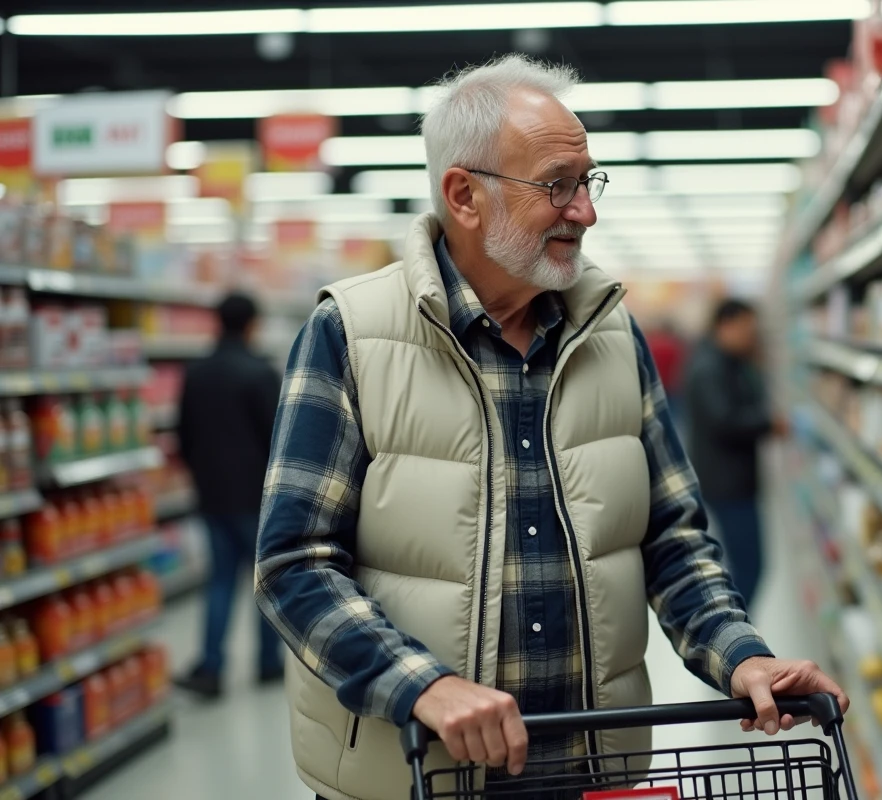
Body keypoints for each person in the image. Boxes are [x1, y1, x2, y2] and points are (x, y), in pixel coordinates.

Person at [255, 54, 846, 800]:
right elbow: (294, 564)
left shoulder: (612, 335)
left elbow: (671, 537)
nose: (586, 212)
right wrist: (422, 685)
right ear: (465, 196)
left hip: (587, 765)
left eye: (588, 182)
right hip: (413, 768)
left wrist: (741, 656)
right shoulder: (351, 332)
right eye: (557, 186)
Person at [174, 292, 284, 700]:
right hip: (256, 496)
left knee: (219, 580)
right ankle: (268, 662)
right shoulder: (260, 373)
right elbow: (279, 438)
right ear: (252, 324)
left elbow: (183, 435)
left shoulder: (196, 372)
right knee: (266, 579)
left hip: (212, 495)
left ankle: (211, 667)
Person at [684, 299, 783, 611]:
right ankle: (737, 630)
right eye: (747, 329)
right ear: (725, 326)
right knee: (750, 565)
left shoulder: (728, 362)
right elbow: (724, 421)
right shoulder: (710, 368)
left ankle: (737, 626)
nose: (752, 336)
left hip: (731, 478)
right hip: (728, 483)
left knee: (745, 564)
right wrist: (769, 423)